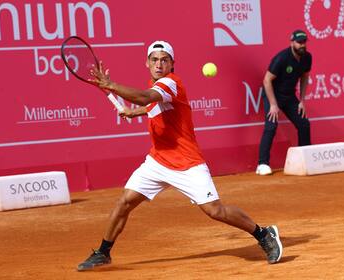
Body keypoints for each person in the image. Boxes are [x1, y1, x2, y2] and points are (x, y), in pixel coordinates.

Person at [77, 41, 283, 271]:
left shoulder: (171, 83)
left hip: (187, 163)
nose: (159, 64)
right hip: (158, 161)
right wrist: (132, 112)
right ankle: (103, 252)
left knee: (216, 211)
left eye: (164, 60)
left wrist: (110, 85)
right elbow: (152, 106)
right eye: (154, 59)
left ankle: (264, 234)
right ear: (147, 63)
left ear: (172, 64)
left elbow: (146, 98)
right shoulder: (157, 85)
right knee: (125, 201)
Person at [256, 30, 312, 176]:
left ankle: (305, 159)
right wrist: (273, 104)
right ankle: (262, 164)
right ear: (292, 42)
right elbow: (267, 80)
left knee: (304, 124)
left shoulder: (307, 58)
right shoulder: (281, 58)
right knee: (271, 126)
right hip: (272, 95)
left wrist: (302, 100)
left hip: (289, 96)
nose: (302, 45)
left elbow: (305, 77)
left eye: (304, 42)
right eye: (299, 42)